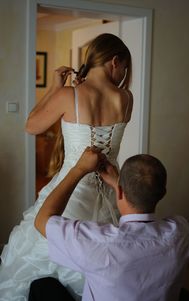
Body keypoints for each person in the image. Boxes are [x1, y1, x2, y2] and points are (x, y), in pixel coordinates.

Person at [0, 33, 133, 300]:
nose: (123, 74)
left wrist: (55, 89)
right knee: (103, 260)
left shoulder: (68, 95)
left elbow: (31, 125)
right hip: (109, 193)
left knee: (51, 246)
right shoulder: (125, 98)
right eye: (124, 68)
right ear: (115, 61)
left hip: (70, 193)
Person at [28, 147, 189, 301]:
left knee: (42, 285)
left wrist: (79, 169)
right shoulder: (181, 232)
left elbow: (42, 220)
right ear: (163, 194)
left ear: (121, 192)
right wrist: (117, 184)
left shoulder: (99, 243)